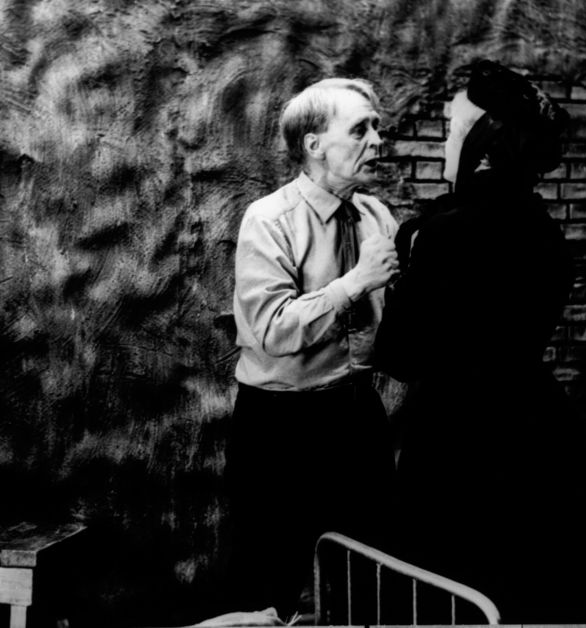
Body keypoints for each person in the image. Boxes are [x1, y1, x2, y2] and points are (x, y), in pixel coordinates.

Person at [375, 60, 586, 624]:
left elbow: (400, 353)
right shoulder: (545, 231)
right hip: (536, 425)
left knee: (456, 588)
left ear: (483, 143)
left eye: (453, 129)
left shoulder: (445, 233)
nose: (446, 142)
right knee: (548, 585)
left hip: (457, 436)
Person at [225, 77, 400, 620]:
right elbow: (273, 330)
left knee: (369, 581)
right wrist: (357, 282)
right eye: (361, 129)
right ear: (314, 144)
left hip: (357, 415)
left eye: (377, 128)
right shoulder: (268, 219)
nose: (377, 140)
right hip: (280, 428)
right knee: (268, 586)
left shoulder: (377, 216)